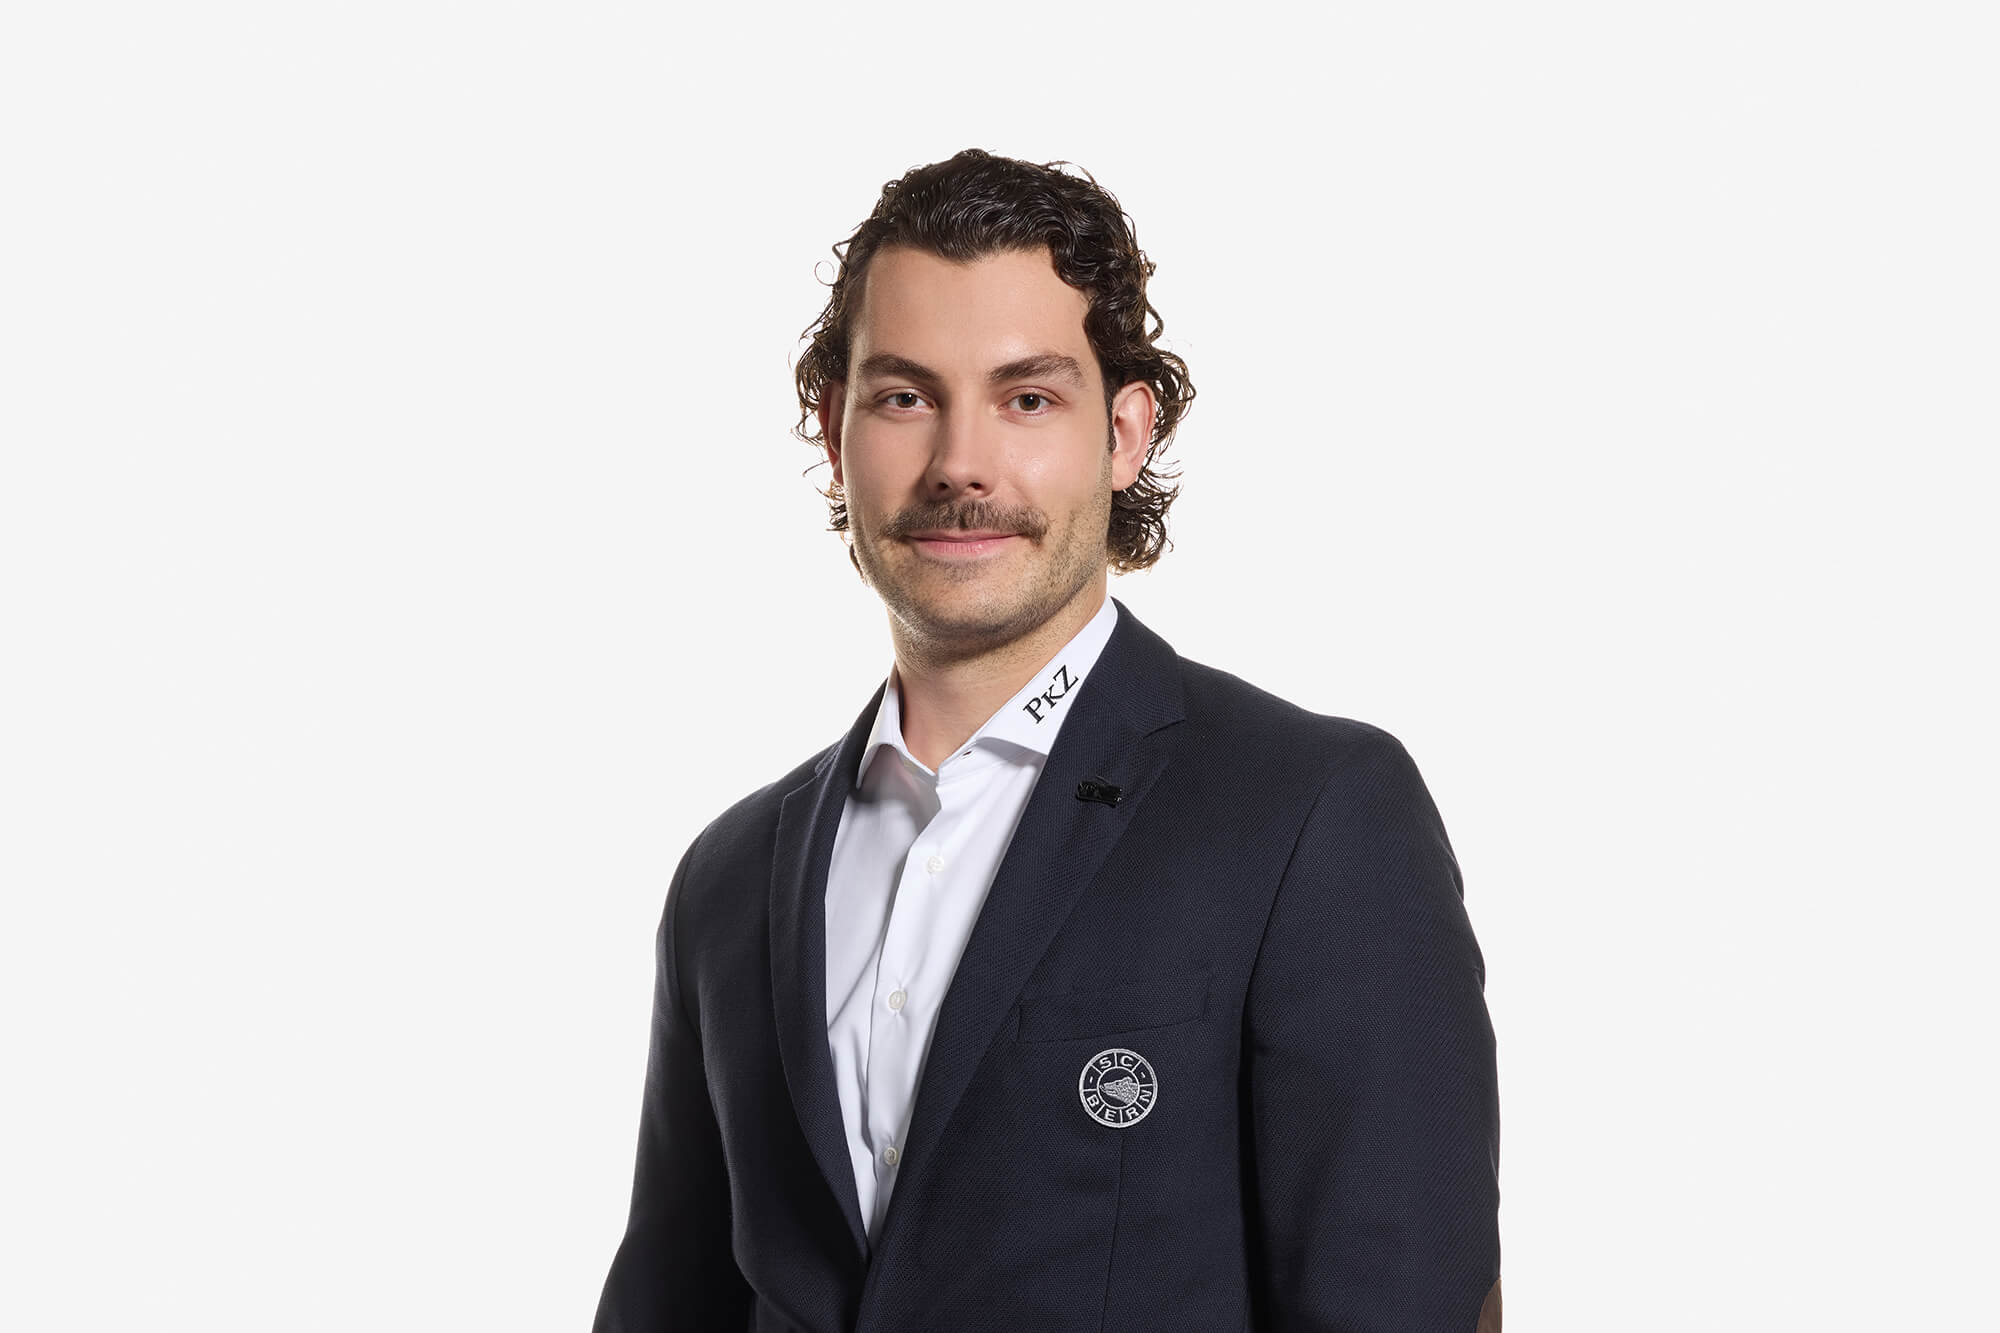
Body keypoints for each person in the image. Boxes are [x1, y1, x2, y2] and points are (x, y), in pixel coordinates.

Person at [593, 148, 1501, 1332]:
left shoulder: (1309, 815)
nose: (959, 464)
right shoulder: (726, 880)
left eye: (1026, 398)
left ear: (1123, 432)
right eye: (904, 397)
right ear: (832, 427)